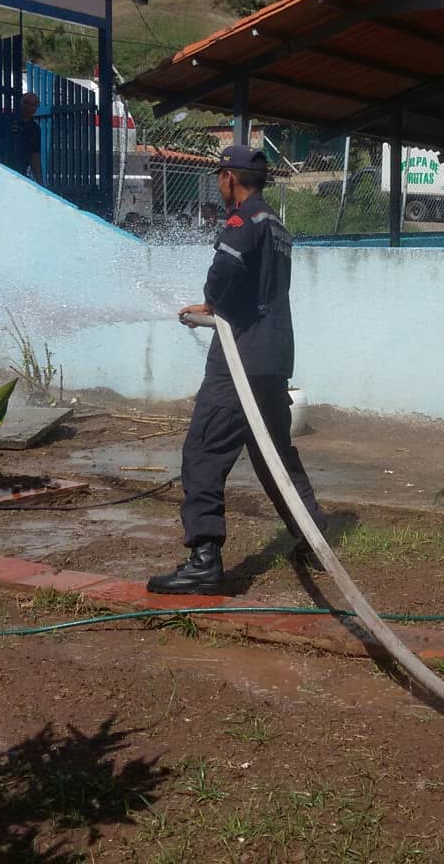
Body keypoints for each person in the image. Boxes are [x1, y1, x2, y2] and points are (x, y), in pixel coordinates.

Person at [148, 144, 327, 594]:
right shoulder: (278, 224)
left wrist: (211, 302)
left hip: (239, 357)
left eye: (219, 178)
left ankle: (204, 559)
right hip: (273, 357)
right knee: (275, 455)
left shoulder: (242, 220)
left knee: (204, 451)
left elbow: (225, 273)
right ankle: (313, 535)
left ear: (229, 178)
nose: (219, 185)